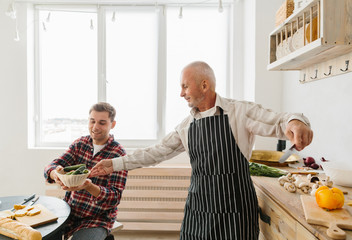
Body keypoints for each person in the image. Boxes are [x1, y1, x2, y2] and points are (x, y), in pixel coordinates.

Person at [90, 61, 313, 239]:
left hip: (235, 210)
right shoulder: (186, 126)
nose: (181, 93)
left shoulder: (239, 112)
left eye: (185, 86)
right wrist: (115, 164)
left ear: (204, 85)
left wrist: (296, 122)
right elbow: (156, 152)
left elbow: (277, 121)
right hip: (199, 208)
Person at [44, 102, 128, 240]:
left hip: (97, 219)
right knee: (44, 236)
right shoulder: (80, 144)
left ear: (112, 125)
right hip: (69, 212)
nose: (95, 127)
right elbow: (51, 166)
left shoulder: (118, 154)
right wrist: (55, 173)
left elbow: (114, 197)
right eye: (92, 121)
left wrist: (89, 186)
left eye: (102, 122)